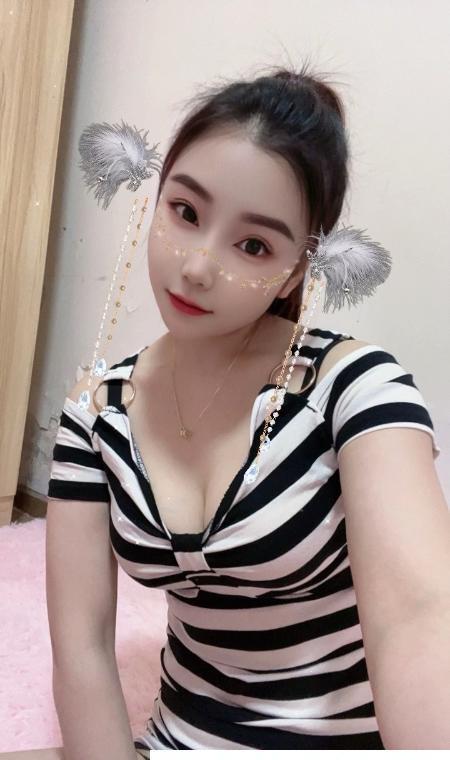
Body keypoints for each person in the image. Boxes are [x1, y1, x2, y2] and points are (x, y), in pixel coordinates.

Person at [44, 61, 448, 755]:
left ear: (296, 269)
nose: (198, 266)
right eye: (185, 211)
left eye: (253, 245)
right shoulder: (98, 409)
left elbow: (419, 615)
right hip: (178, 742)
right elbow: (80, 646)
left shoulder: (353, 388)